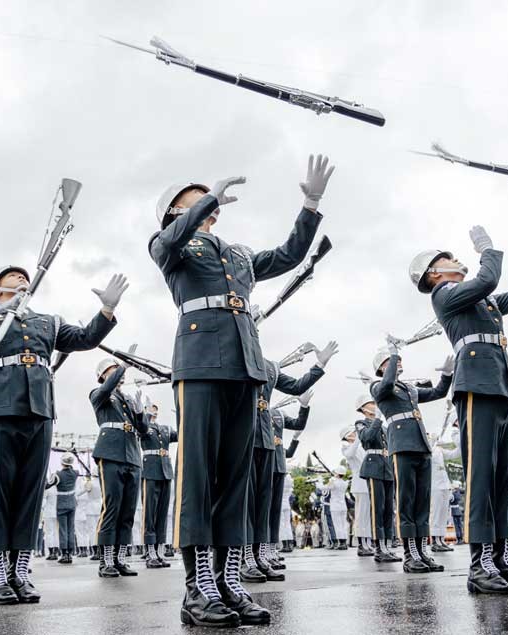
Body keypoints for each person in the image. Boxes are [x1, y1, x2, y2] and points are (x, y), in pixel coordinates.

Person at [150, 155, 333, 628]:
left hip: (244, 365)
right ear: (175, 210)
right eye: (192, 200)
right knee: (198, 476)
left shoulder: (237, 254)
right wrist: (207, 196)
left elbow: (289, 255)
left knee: (236, 481)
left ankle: (229, 581)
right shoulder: (172, 246)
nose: (208, 205)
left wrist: (310, 205)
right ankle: (198, 587)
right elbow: (167, 241)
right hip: (200, 363)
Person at [0, 264, 124, 605]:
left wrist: (107, 310)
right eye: (12, 277)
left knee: (30, 493)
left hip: (40, 410)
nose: (21, 279)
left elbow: (85, 338)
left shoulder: (48, 320)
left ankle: (20, 571)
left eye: (24, 277)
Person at [409, 221, 508, 594]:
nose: (457, 259)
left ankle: (500, 560)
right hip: (475, 387)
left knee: (500, 482)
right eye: (450, 258)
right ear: (434, 273)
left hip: (499, 389)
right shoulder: (446, 294)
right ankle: (479, 566)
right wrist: (487, 250)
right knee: (481, 478)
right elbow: (487, 280)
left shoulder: (480, 301)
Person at [246, 348, 331, 582]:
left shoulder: (271, 366)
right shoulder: (236, 353)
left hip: (265, 443)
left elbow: (295, 387)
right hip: (243, 436)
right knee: (247, 503)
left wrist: (319, 366)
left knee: (263, 505)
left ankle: (260, 555)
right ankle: (244, 558)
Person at [371, 348, 452, 573]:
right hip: (402, 446)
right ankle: (410, 555)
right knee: (406, 501)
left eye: (398, 360)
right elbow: (386, 385)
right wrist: (394, 355)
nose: (397, 363)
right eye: (391, 362)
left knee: (422, 503)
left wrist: (447, 375)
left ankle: (422, 551)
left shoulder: (408, 389)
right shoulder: (378, 387)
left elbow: (437, 393)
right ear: (381, 368)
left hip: (421, 446)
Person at [90, 359, 148, 578]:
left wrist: (140, 411)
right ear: (103, 374)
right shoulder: (99, 394)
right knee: (112, 508)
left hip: (132, 455)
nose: (119, 374)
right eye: (112, 370)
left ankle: (120, 559)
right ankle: (106, 561)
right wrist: (122, 366)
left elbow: (142, 430)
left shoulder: (126, 398)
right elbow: (108, 386)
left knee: (128, 512)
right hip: (111, 453)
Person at [354, 395, 399, 563]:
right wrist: (378, 419)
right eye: (371, 403)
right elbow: (367, 438)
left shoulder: (384, 427)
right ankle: (379, 547)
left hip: (387, 467)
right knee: (377, 508)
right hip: (373, 466)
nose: (375, 406)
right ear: (363, 408)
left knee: (388, 509)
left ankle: (388, 544)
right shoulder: (361, 423)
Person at [268, 397, 311, 566]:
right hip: (261, 463)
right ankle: (259, 552)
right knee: (264, 512)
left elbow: (298, 424)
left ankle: (271, 550)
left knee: (274, 514)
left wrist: (304, 406)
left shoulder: (278, 413)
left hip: (278, 465)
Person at [139, 403, 176, 568]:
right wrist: (145, 414)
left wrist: (183, 414)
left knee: (162, 514)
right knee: (149, 514)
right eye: (150, 408)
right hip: (150, 471)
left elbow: (183, 433)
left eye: (154, 408)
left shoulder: (165, 429)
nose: (153, 410)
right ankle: (150, 553)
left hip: (165, 472)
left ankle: (160, 551)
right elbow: (141, 428)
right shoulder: (145, 427)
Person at [340, 425, 373, 556]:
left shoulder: (361, 446)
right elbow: (350, 454)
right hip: (359, 484)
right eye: (353, 432)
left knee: (367, 516)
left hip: (368, 482)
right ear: (347, 436)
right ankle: (361, 544)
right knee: (360, 515)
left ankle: (368, 543)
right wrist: (358, 439)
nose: (356, 433)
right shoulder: (346, 446)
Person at [45, 453, 82, 565]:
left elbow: (47, 485)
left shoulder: (57, 475)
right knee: (71, 529)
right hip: (72, 503)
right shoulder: (76, 473)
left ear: (62, 462)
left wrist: (50, 476)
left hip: (61, 504)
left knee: (62, 530)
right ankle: (70, 554)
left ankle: (64, 554)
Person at [429, 432, 459, 552]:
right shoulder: (428, 449)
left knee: (443, 515)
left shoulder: (439, 450)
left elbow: (455, 453)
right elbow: (428, 449)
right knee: (436, 514)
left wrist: (456, 437)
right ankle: (435, 541)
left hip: (444, 485)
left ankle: (441, 539)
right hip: (434, 485)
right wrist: (432, 439)